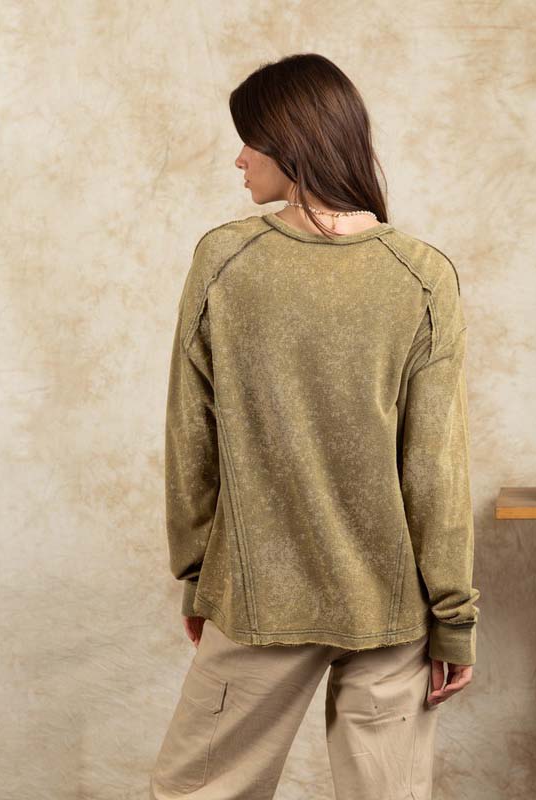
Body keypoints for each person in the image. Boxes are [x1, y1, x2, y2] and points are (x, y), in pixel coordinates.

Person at [150, 53, 481, 800]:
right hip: (392, 606)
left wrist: (200, 579)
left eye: (250, 140)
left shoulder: (225, 261)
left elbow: (190, 440)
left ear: (292, 143)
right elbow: (436, 469)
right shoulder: (421, 275)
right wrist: (453, 617)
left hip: (257, 597)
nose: (239, 159)